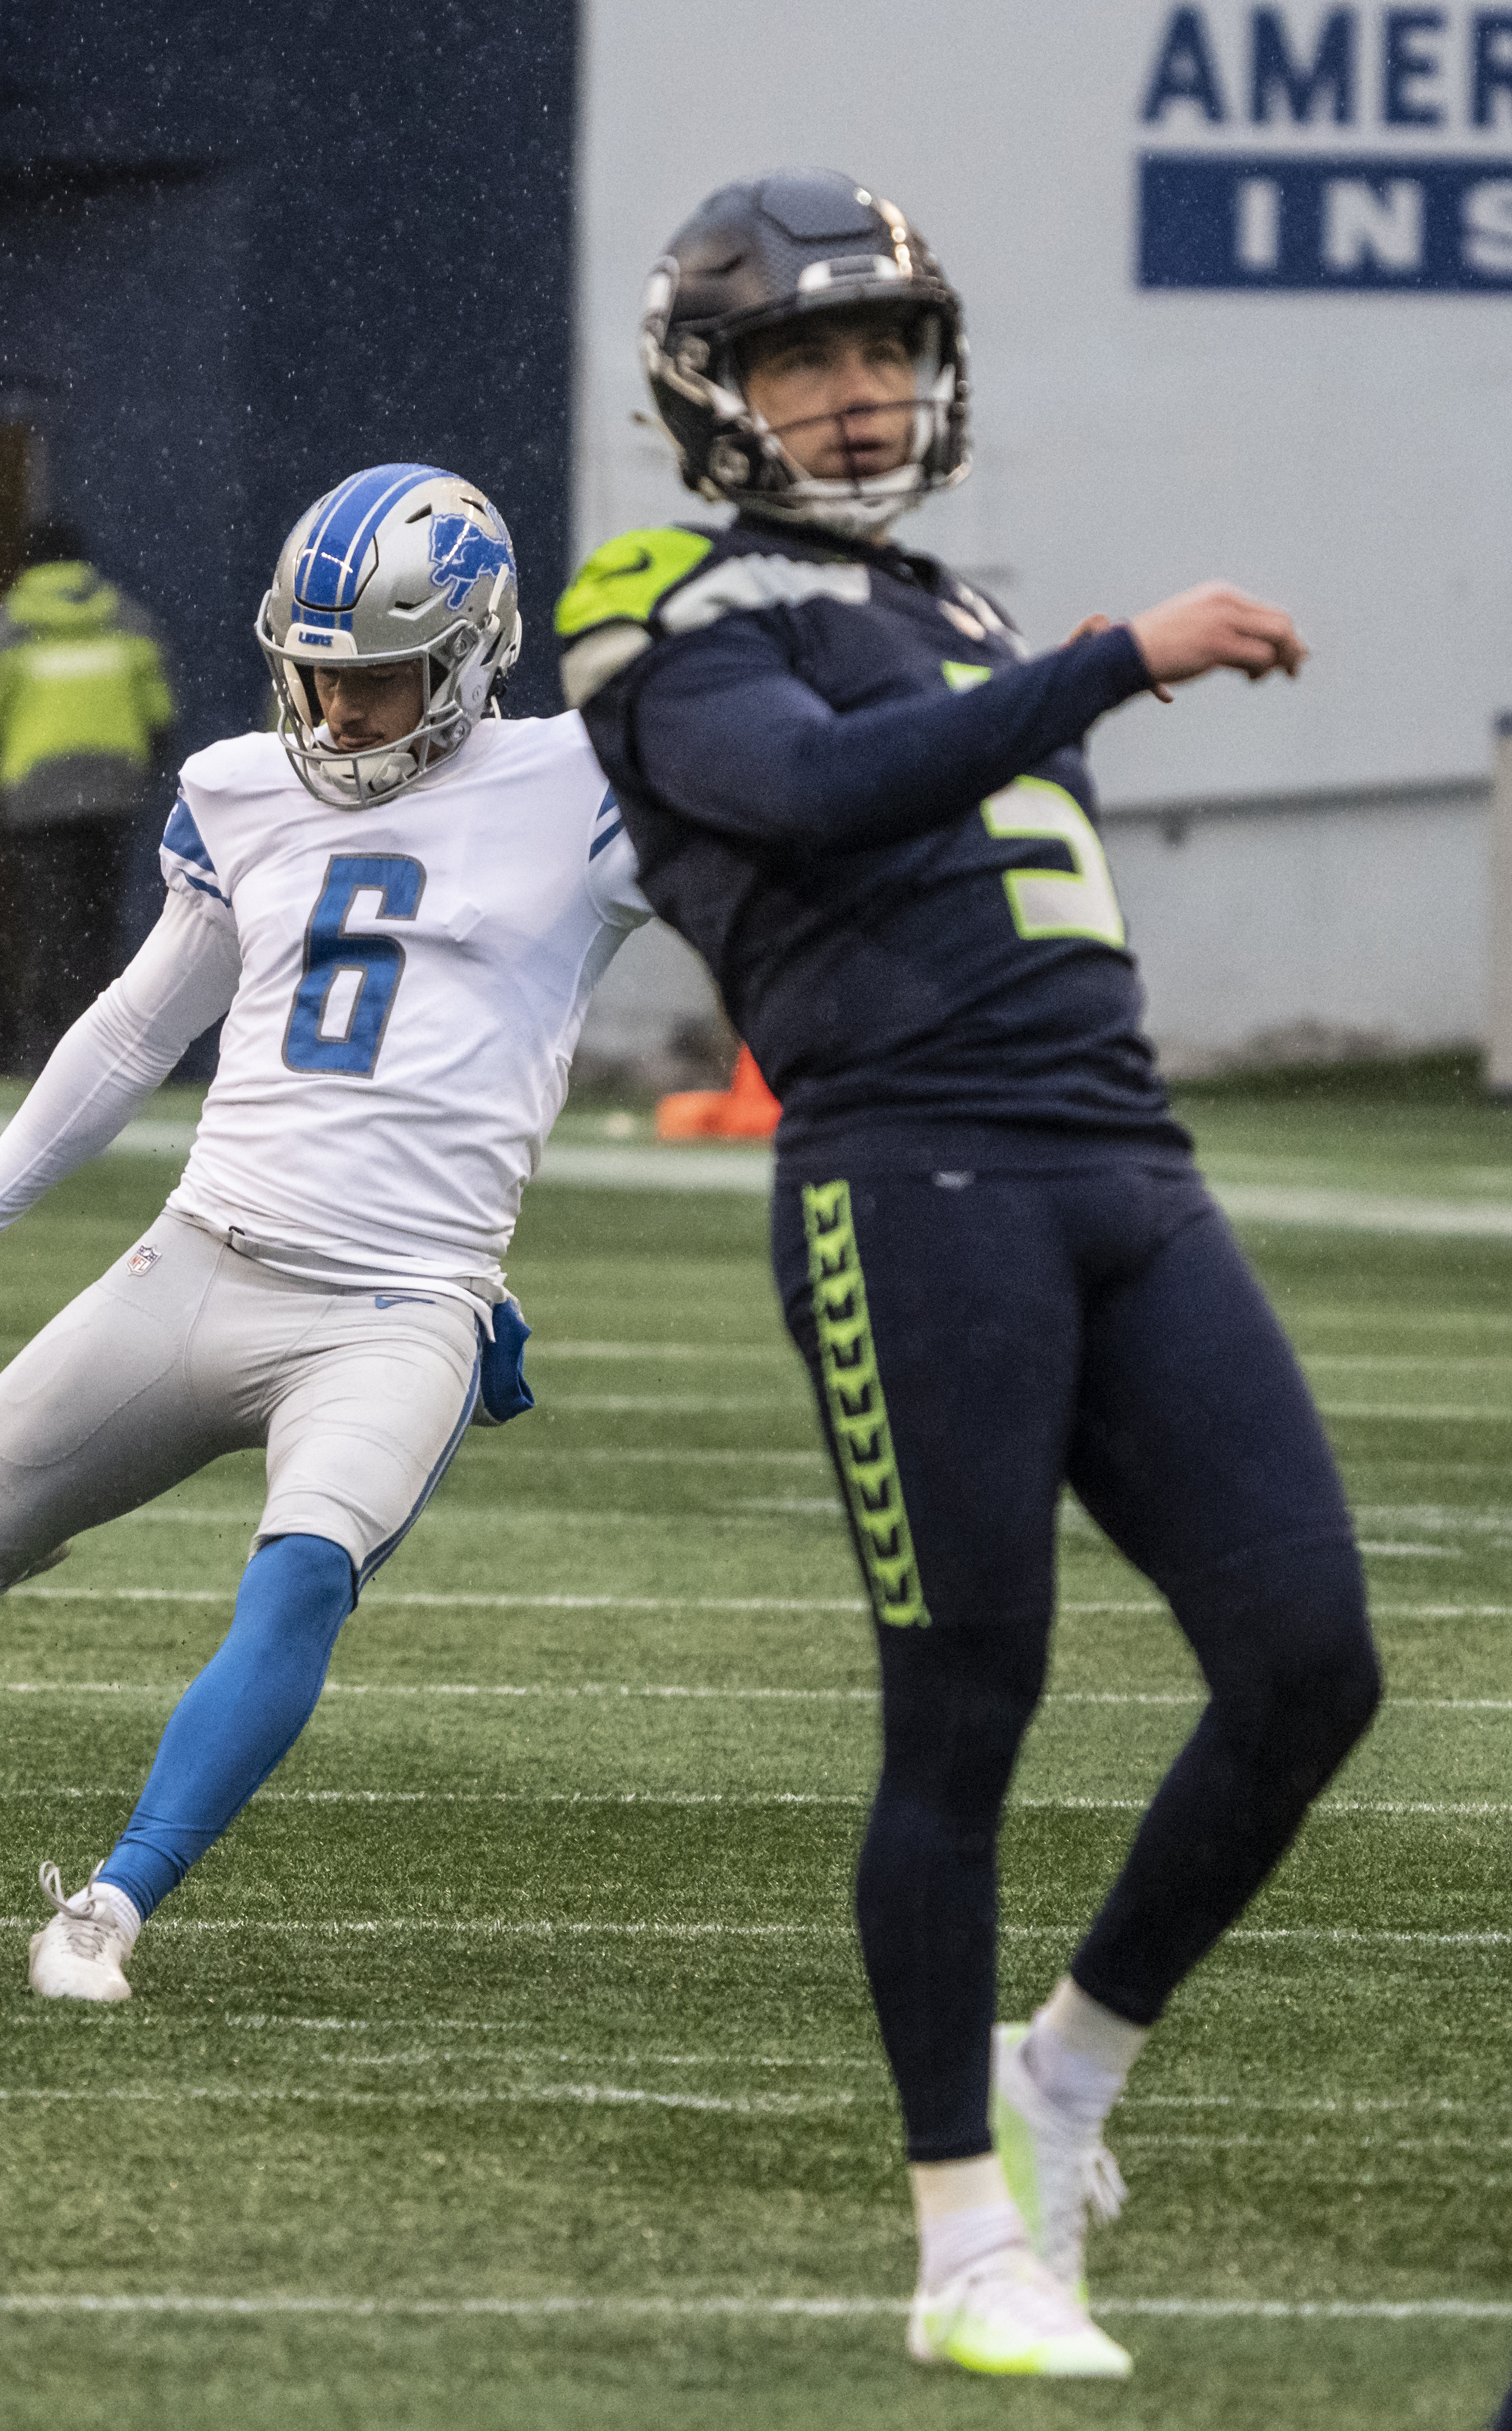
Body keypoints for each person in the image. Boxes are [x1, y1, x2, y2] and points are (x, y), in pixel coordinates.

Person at [557, 169, 1379, 2381]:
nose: (852, 394)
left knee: (1308, 1663)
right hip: (909, 1178)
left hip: (1119, 1158)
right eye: (800, 360)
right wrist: (1114, 654)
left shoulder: (944, 602)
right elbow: (814, 797)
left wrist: (1062, 659)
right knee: (964, 1708)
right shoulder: (655, 599)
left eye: (880, 352)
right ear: (707, 396)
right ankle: (956, 2246)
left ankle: (1068, 2072)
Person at [0, 464, 647, 2001]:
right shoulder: (239, 788)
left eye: (378, 684)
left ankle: (108, 1903)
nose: (340, 718)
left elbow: (821, 810)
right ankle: (144, 1448)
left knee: (296, 1579)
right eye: (319, 680)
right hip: (202, 1257)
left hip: (399, 1305)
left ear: (476, 655)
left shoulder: (580, 789)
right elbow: (129, 1029)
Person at [0, 520, 179, 1069]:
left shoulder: (9, 628)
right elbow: (161, 713)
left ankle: (45, 1057)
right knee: (98, 931)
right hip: (112, 796)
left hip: (36, 801)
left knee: (46, 932)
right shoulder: (125, 618)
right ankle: (108, 1054)